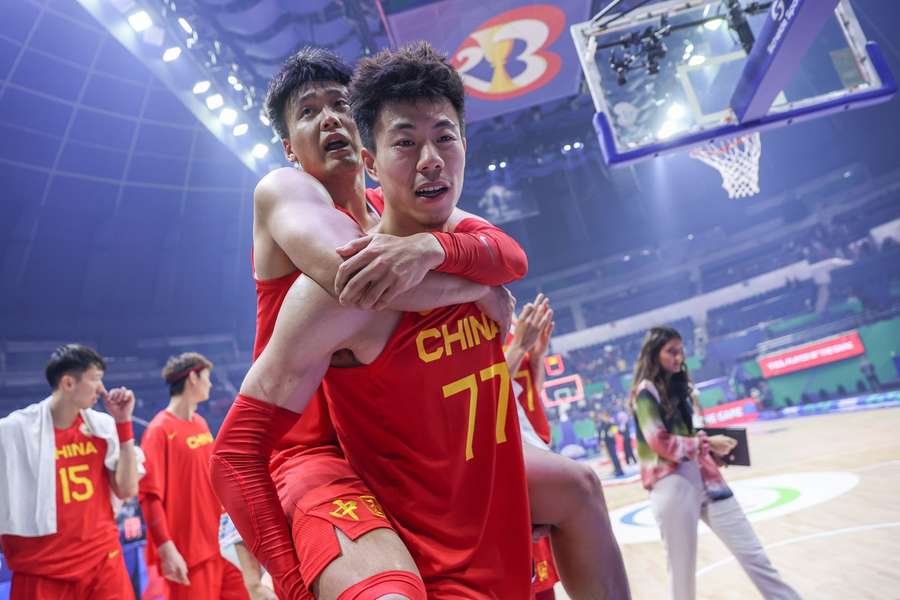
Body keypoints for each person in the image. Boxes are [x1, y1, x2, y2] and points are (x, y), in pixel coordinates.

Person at [215, 44, 628, 600]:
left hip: (400, 441)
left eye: (340, 103)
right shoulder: (288, 192)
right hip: (309, 451)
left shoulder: (406, 206)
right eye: (309, 112)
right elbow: (357, 279)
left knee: (577, 487)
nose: (331, 117)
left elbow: (507, 253)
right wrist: (469, 280)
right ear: (290, 147)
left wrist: (434, 251)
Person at [629, 326, 801, 600]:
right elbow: (659, 442)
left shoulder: (681, 389)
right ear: (653, 354)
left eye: (680, 351)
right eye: (671, 351)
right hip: (672, 486)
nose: (678, 357)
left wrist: (710, 451)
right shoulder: (645, 391)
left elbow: (686, 438)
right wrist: (706, 444)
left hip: (709, 480)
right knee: (682, 579)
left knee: (754, 555)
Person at [0, 344, 141, 600]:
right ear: (68, 383)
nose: (102, 388)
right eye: (95, 379)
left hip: (102, 562)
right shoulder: (13, 431)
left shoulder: (103, 427)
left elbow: (128, 489)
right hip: (43, 571)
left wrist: (123, 424)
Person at [138, 353, 258, 600]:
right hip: (189, 552)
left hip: (220, 543)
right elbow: (149, 496)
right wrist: (166, 549)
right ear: (193, 377)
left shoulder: (201, 423)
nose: (211, 384)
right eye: (207, 377)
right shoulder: (158, 431)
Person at [597, 412, 624, 477]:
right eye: (604, 417)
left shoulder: (611, 424)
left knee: (614, 457)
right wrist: (600, 443)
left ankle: (619, 470)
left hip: (611, 443)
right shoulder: (601, 425)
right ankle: (615, 469)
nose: (605, 418)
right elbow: (600, 435)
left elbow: (617, 431)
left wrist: (615, 431)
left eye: (606, 417)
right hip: (605, 444)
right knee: (611, 458)